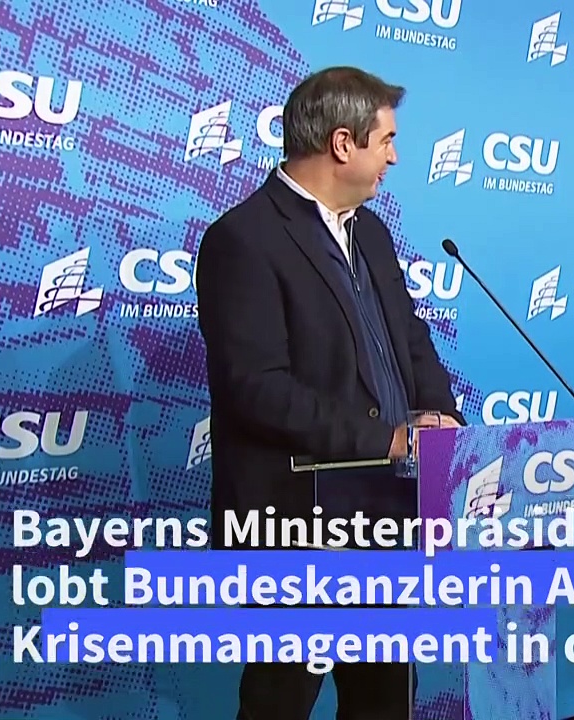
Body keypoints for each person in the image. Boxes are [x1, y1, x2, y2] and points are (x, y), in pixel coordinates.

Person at [195, 66, 463, 720]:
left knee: (384, 703)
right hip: (294, 525)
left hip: (386, 515)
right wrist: (387, 438)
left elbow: (409, 336)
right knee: (279, 704)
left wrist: (441, 419)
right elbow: (255, 387)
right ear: (343, 143)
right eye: (387, 140)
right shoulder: (242, 239)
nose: (395, 157)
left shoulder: (370, 231)